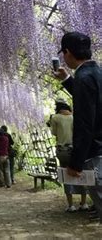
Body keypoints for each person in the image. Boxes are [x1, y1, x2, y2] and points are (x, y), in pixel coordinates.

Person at [53, 32, 102, 222]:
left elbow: (84, 123)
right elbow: (91, 101)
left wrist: (75, 163)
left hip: (95, 154)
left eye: (63, 54)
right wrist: (67, 80)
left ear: (67, 52)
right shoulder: (96, 73)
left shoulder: (83, 77)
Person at [49, 98, 88, 212]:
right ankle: (84, 203)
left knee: (66, 175)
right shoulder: (74, 117)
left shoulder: (55, 117)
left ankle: (71, 205)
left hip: (63, 151)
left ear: (57, 107)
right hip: (77, 150)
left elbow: (54, 133)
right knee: (80, 173)